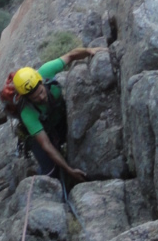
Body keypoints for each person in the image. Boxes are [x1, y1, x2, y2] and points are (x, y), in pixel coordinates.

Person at [12, 48, 97, 183]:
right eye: (35, 98)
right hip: (42, 135)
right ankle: (36, 174)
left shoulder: (46, 71)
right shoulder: (27, 113)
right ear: (27, 99)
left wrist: (90, 51)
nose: (41, 97)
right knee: (51, 173)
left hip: (58, 119)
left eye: (41, 91)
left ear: (41, 81)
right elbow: (46, 144)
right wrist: (69, 170)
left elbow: (70, 55)